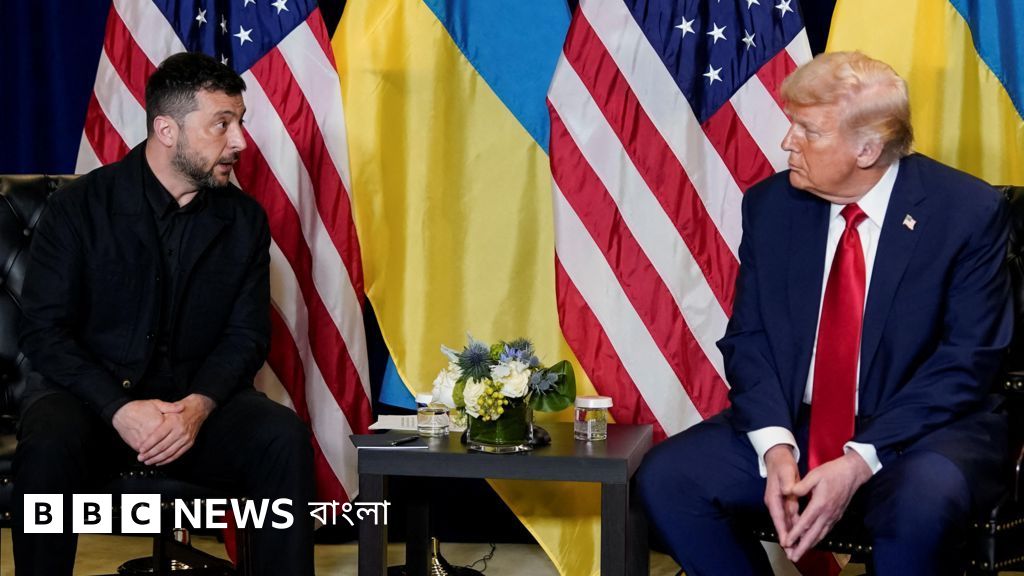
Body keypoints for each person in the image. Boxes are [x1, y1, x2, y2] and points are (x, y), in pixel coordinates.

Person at [637, 51, 1012, 575]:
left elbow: (967, 363)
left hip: (925, 431)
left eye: (807, 131)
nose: (787, 142)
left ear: (867, 148)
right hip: (801, 421)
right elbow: (750, 339)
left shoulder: (965, 212)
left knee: (920, 504)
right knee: (669, 478)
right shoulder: (772, 206)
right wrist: (775, 447)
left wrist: (860, 459)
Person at [12, 52, 315, 575]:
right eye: (222, 124)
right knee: (46, 442)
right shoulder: (78, 208)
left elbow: (246, 335)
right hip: (89, 405)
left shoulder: (244, 219)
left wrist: (197, 407)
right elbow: (44, 332)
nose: (240, 141)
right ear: (167, 130)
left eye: (240, 122)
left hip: (193, 411)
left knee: (281, 437)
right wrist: (119, 408)